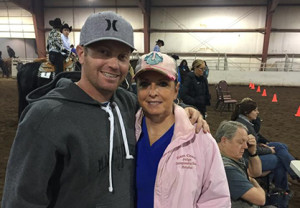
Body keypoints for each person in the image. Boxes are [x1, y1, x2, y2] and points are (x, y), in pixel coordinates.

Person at [2, 11, 207, 208]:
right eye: (103, 52)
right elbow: (22, 200)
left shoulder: (128, 103)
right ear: (81, 54)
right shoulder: (45, 117)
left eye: (122, 56)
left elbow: (159, 104)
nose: (113, 64)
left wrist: (185, 109)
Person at [134, 51, 231, 208]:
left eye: (163, 84)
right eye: (144, 84)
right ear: (136, 89)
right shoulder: (126, 131)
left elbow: (217, 200)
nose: (152, 92)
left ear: (176, 90)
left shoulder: (200, 139)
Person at [231, 98, 299, 194]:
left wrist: (262, 144)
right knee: (280, 159)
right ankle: (284, 186)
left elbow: (252, 144)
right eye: (255, 110)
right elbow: (252, 150)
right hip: (248, 159)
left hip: (251, 152)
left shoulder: (243, 122)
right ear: (247, 112)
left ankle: (289, 178)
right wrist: (269, 150)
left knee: (282, 146)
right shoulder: (245, 126)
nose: (257, 112)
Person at [215, 121, 266, 207]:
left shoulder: (231, 156)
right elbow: (260, 199)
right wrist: (253, 181)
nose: (246, 146)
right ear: (224, 140)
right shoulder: (226, 168)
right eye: (240, 142)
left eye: (246, 142)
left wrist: (253, 153)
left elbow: (256, 172)